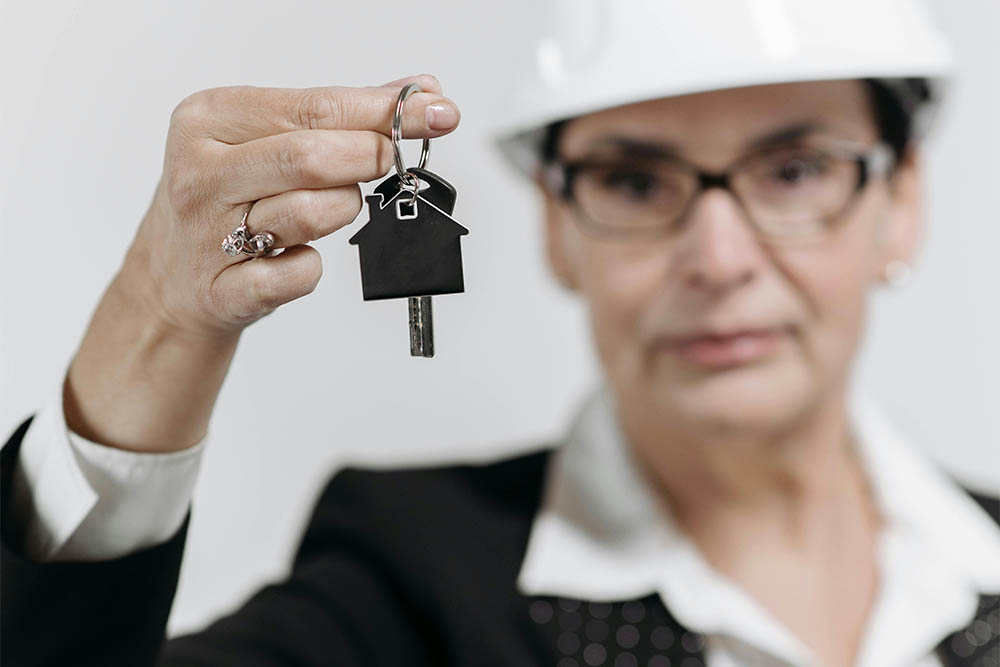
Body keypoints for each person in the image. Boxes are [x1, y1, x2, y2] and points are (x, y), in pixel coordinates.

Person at [2, 1, 998, 666]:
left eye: (792, 171)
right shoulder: (404, 578)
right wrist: (158, 315)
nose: (718, 256)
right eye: (635, 181)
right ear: (557, 225)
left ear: (900, 200)